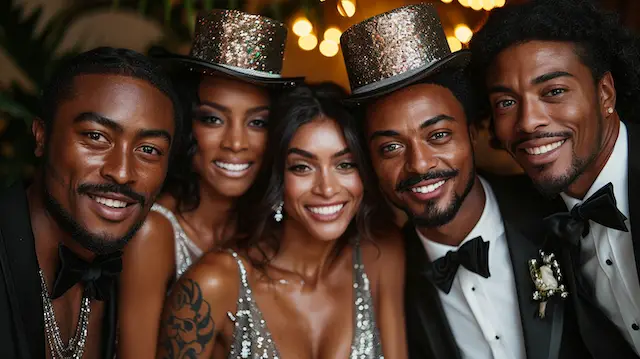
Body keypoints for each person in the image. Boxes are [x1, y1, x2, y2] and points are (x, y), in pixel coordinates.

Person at [339, 4, 590, 359]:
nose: (420, 164)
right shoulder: (390, 277)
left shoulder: (559, 214)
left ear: (471, 133)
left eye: (439, 135)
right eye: (391, 147)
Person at [156, 83, 407, 359]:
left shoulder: (380, 254)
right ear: (277, 177)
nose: (327, 188)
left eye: (345, 164)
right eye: (302, 167)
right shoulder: (213, 285)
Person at [116, 9, 302, 358]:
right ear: (187, 125)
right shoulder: (154, 232)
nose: (236, 142)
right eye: (214, 119)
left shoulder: (267, 224)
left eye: (257, 123)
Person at [470, 0, 640, 357]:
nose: (529, 121)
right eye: (506, 102)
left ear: (605, 94)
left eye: (554, 92)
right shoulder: (530, 219)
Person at [0, 47, 182, 359]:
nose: (123, 172)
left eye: (149, 149)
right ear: (41, 136)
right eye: (96, 137)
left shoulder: (126, 279)